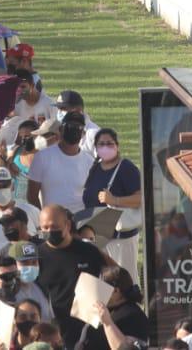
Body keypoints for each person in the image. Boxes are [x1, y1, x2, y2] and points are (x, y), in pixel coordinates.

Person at [34, 205, 106, 347]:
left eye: (54, 227)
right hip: (53, 331)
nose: (49, 231)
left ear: (67, 225)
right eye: (45, 227)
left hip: (88, 328)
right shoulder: (36, 256)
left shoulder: (89, 252)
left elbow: (106, 279)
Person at [81, 128, 143, 273]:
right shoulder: (95, 168)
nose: (105, 147)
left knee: (125, 278)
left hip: (120, 237)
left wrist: (115, 200)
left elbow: (141, 198)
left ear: (117, 145)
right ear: (95, 147)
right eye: (101, 144)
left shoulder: (127, 168)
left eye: (110, 143)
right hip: (97, 235)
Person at [28, 111, 95, 211]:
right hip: (52, 222)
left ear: (83, 134)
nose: (73, 130)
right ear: (61, 130)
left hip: (80, 221)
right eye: (70, 126)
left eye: (78, 127)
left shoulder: (90, 162)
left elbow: (92, 197)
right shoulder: (42, 157)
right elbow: (32, 196)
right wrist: (42, 219)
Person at [82, 266, 152, 350]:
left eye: (101, 287)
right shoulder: (109, 310)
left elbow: (126, 348)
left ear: (116, 291)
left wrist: (107, 323)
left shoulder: (134, 316)